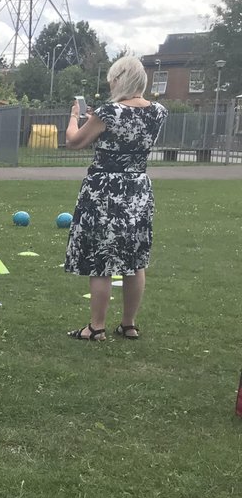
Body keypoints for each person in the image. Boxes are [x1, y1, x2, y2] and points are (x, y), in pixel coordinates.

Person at [63, 56, 168, 341]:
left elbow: (74, 141)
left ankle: (95, 327)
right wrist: (97, 123)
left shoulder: (109, 111)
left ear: (118, 79)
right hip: (137, 188)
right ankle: (129, 324)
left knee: (102, 259)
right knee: (135, 260)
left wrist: (74, 118)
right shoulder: (158, 111)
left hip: (105, 190)